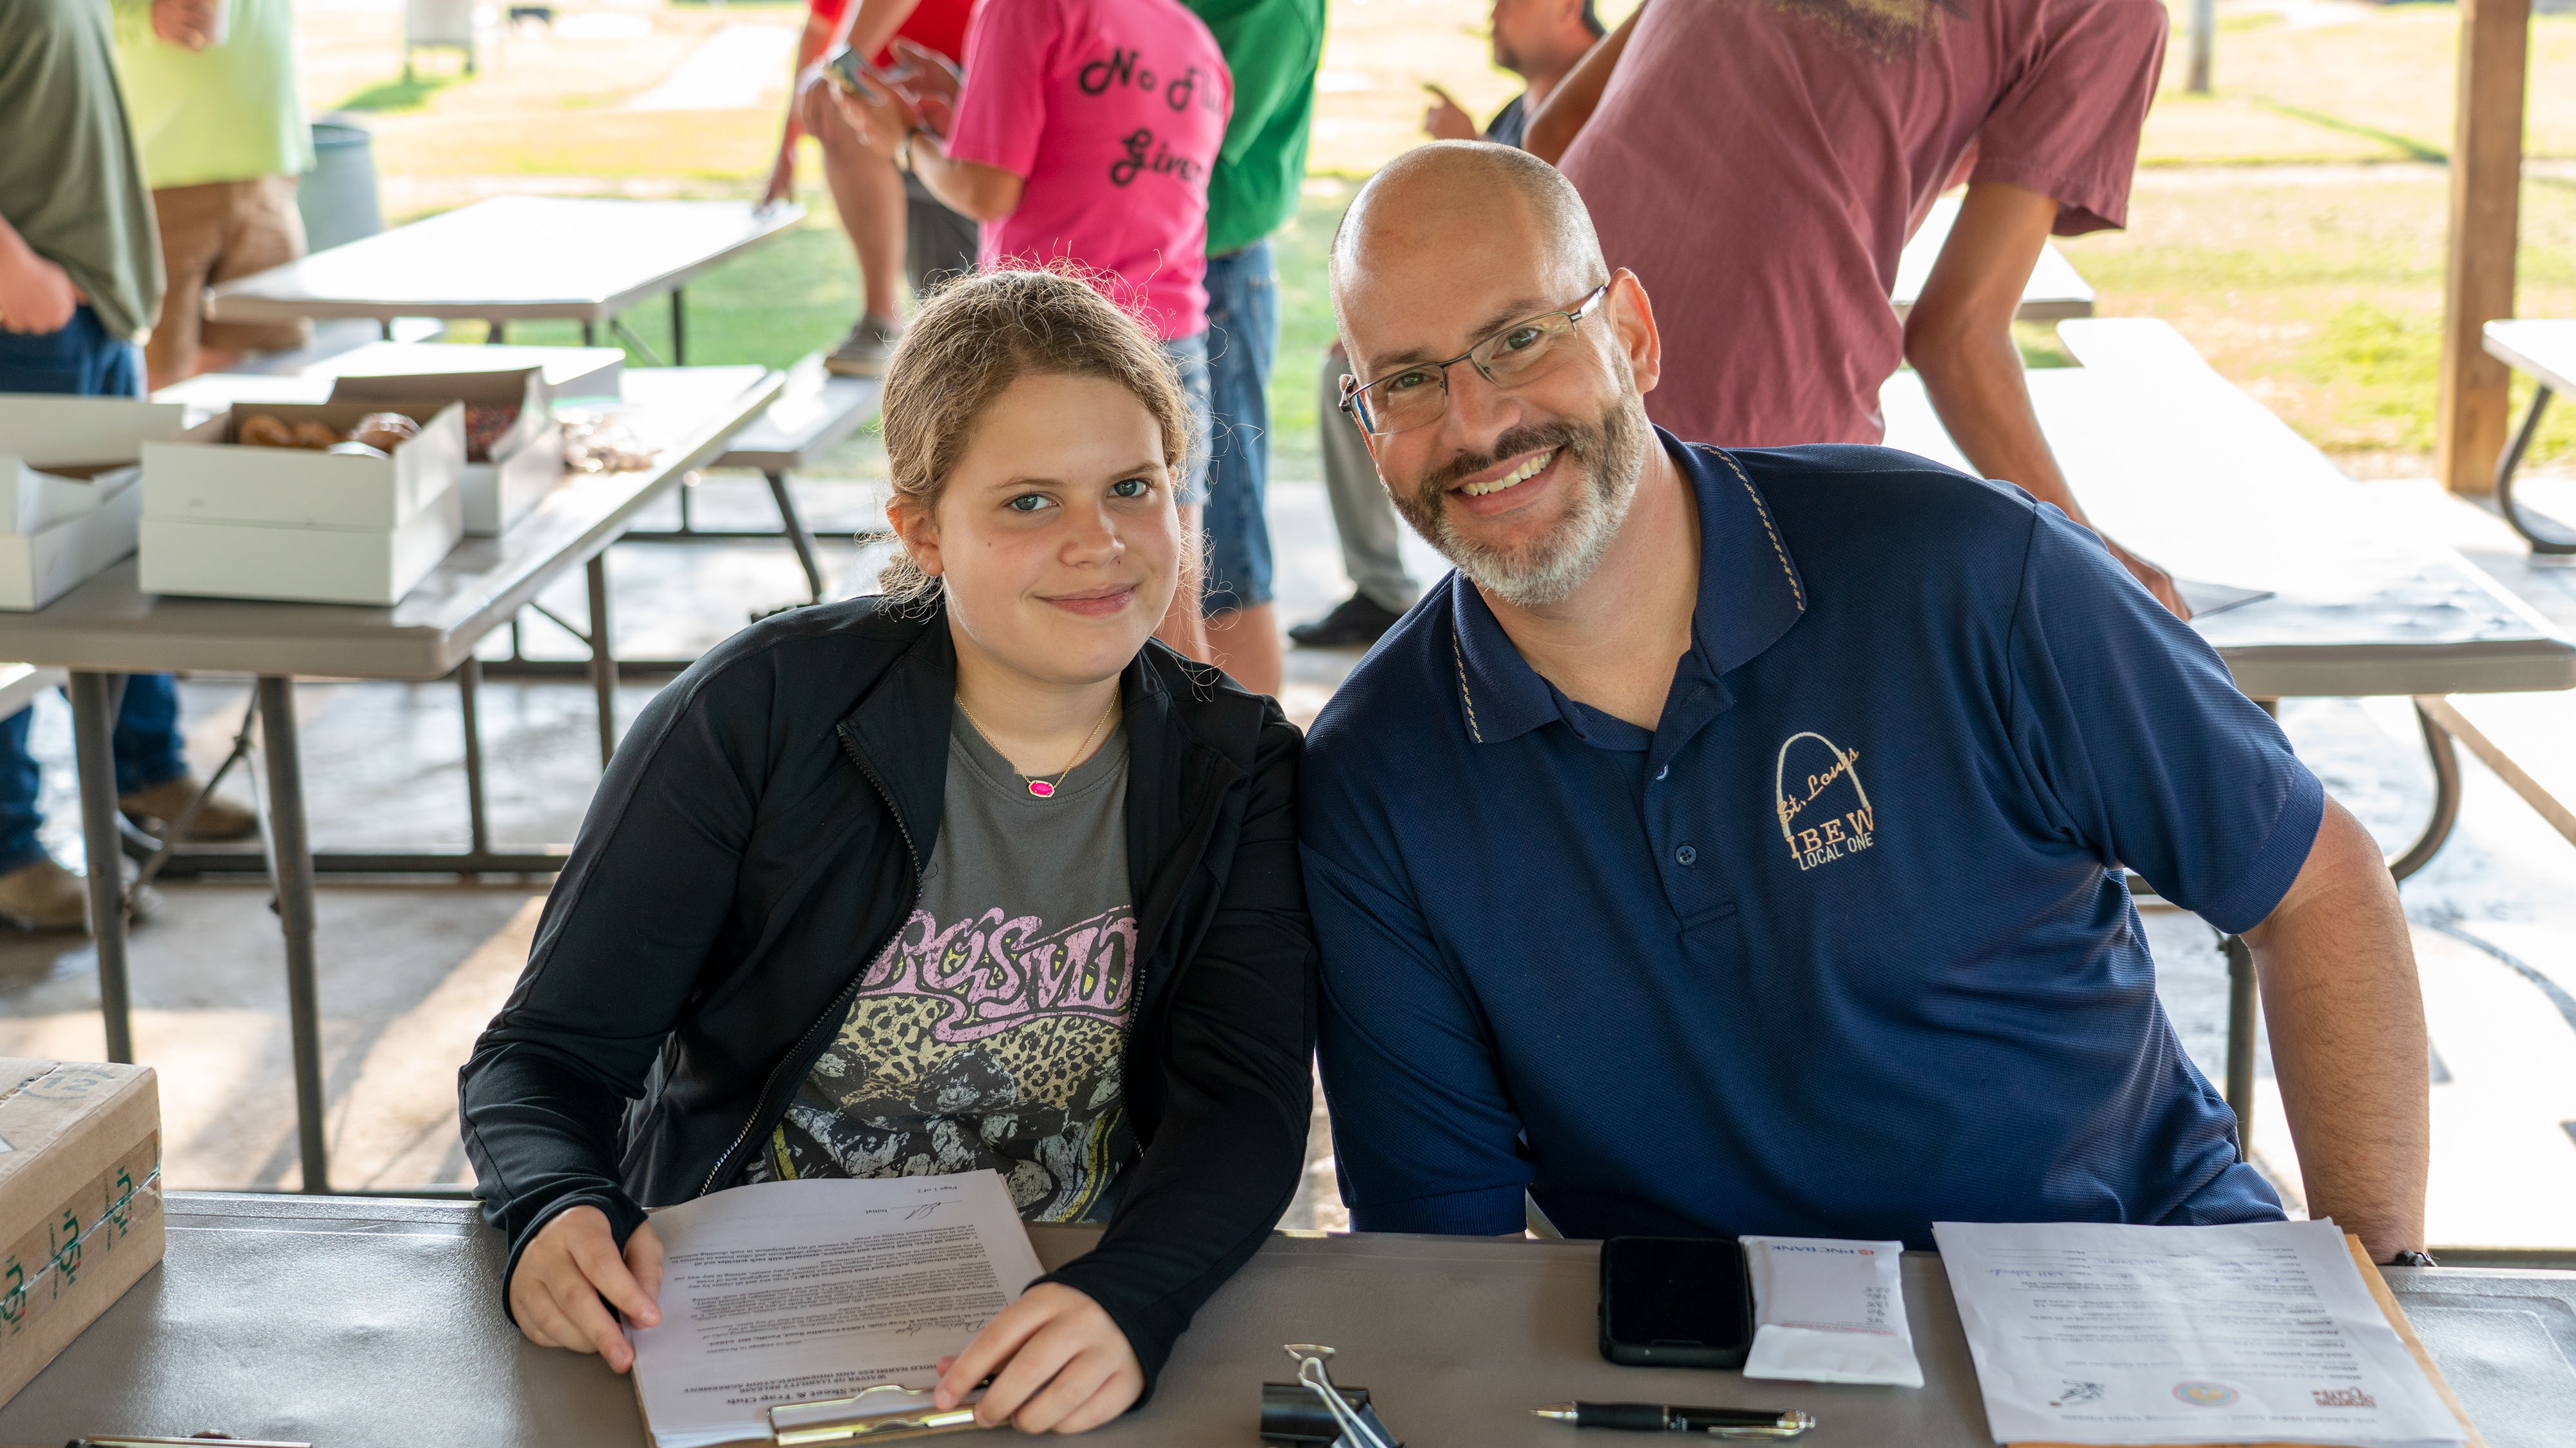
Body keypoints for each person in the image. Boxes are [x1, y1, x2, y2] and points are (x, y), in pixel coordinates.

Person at [1303, 146, 2430, 1263]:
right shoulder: (1373, 781)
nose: (1474, 422)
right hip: (1722, 1357)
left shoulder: (1967, 568)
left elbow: (2316, 886)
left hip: (2139, 1283)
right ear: (1368, 428)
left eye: (1519, 339)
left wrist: (2381, 1296)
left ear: (1632, 334)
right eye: (1406, 381)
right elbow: (1442, 1262)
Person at [460, 269, 1314, 1434]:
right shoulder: (756, 712)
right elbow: (546, 1054)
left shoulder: (1238, 762)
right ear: (922, 528)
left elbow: (1244, 1101)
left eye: (1133, 486)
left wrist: (1133, 1293)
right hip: (737, 1318)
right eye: (1028, 502)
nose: (1100, 543)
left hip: (1059, 1295)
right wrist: (553, 1203)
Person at [1526, 0, 2190, 617]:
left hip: (1553, 362)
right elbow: (1957, 337)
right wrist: (2090, 562)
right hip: (1758, 430)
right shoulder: (2105, 12)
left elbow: (1556, 128)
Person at [828, 0, 1232, 664]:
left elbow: (986, 190)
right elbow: (1094, 147)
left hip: (1046, 347)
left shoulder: (1022, 8)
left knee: (1012, 610)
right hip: (1169, 337)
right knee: (1170, 616)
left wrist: (904, 140)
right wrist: (969, 104)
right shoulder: (1190, 33)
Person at [0, 0, 255, 932]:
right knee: (13, 594)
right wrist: (17, 275)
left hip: (94, 311)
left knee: (122, 560)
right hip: (28, 313)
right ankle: (8, 851)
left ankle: (147, 769)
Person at [1289, 0, 1600, 651]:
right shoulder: (1515, 112)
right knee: (1344, 374)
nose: (1493, 13)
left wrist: (1471, 141)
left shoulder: (1602, 98)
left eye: (1511, 1)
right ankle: (1380, 589)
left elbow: (1565, 237)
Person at [1179, 0, 1325, 697]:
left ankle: (1250, 757)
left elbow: (1190, 138)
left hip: (1216, 273)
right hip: (1169, 268)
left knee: (1224, 558)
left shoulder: (1271, 9)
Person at [761, 0, 980, 377]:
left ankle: (881, 318)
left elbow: (829, 68)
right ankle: (882, 321)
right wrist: (786, 149)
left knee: (974, 325)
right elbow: (818, 31)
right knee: (948, 331)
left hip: (958, 88)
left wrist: (839, 67)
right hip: (888, 125)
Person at [111, 0, 314, 390]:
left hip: (267, 167)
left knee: (257, 370)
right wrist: (141, 17)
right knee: (160, 371)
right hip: (161, 173)